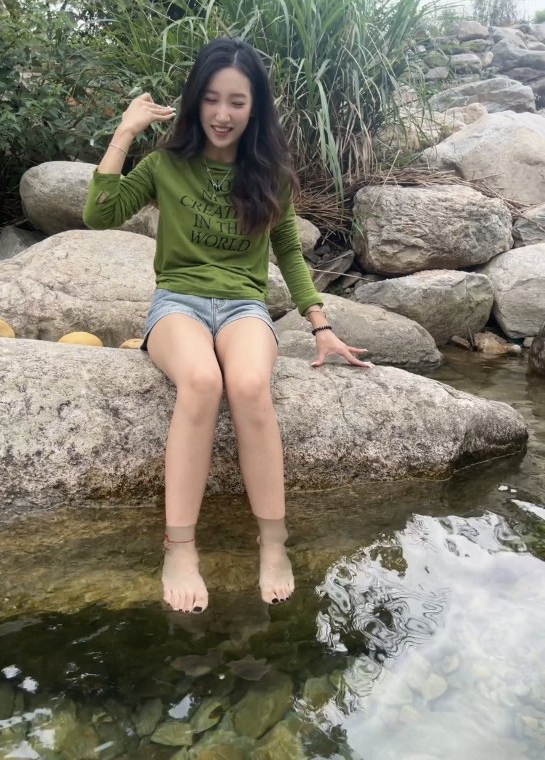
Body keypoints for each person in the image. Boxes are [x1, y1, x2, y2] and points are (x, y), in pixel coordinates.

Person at [83, 37, 373, 615]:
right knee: (201, 382)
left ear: (254, 107)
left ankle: (273, 542)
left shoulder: (268, 174)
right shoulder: (166, 165)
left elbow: (288, 252)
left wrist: (320, 325)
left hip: (244, 307)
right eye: (212, 99)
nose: (222, 114)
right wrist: (125, 132)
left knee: (248, 385)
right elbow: (99, 213)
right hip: (178, 304)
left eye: (237, 102)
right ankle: (179, 548)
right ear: (195, 101)